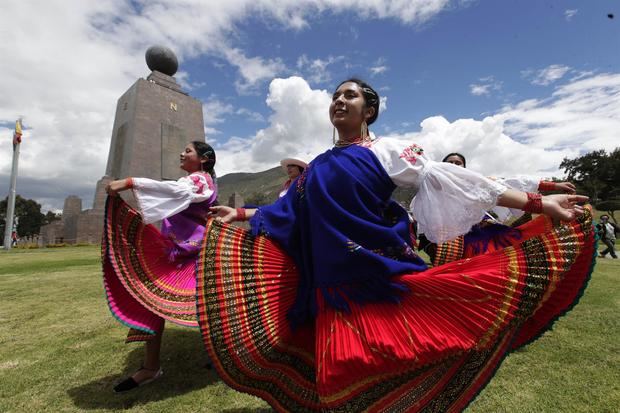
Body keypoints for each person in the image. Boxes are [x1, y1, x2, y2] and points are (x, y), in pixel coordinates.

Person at [203, 78, 595, 412]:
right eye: (336, 96)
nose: (339, 101)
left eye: (350, 95)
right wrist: (237, 215)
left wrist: (537, 202)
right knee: (338, 387)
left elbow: (457, 182)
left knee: (387, 371)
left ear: (368, 111)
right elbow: (287, 210)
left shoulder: (387, 151)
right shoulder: (318, 164)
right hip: (330, 291)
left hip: (381, 283)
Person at [102, 141, 217, 392]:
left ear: (204, 159)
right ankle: (151, 367)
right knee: (150, 298)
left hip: (198, 254)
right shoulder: (194, 180)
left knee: (210, 304)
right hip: (176, 252)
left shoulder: (200, 181)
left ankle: (225, 354)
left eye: (188, 151)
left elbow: (175, 191)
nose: (181, 153)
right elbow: (173, 192)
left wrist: (130, 182)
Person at [420, 153, 578, 265]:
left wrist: (553, 186)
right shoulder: (429, 187)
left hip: (483, 235)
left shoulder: (477, 183)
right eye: (450, 162)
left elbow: (510, 184)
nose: (453, 165)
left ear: (464, 167)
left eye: (458, 163)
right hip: (447, 241)